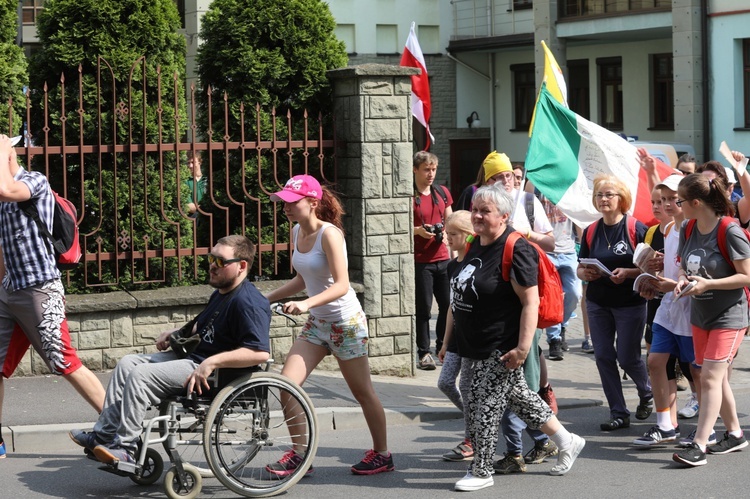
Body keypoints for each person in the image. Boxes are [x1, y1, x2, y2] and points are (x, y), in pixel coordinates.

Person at [68, 235, 271, 465]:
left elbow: (259, 352)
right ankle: (104, 435)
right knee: (127, 363)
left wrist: (212, 363)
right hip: (196, 359)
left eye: (221, 261)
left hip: (215, 375)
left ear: (242, 266)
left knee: (140, 376)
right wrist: (175, 332)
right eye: (211, 258)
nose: (213, 265)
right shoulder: (222, 293)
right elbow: (201, 325)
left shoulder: (248, 303)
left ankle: (126, 448)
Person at [451, 185, 584, 492]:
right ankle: (567, 440)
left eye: (486, 211)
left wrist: (523, 348)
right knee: (520, 398)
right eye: (475, 209)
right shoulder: (475, 242)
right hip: (474, 341)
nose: (478, 215)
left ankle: (481, 470)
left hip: (501, 344)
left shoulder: (516, 247)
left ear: (504, 216)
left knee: (483, 406)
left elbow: (530, 303)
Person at [265, 175, 393, 476]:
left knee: (363, 393)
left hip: (345, 323)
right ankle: (299, 455)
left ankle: (383, 453)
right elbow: (302, 278)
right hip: (318, 323)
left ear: (312, 202)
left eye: (291, 202)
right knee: (287, 385)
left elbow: (343, 284)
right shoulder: (296, 232)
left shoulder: (330, 235)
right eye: (283, 201)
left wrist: (306, 304)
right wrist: (265, 298)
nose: (285, 207)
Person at [0, 135, 106, 460]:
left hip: (40, 290)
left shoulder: (33, 181)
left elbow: (7, 190)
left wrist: (3, 148)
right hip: (9, 292)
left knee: (64, 362)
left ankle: (121, 427)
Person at [672, 173, 750, 467]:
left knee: (709, 378)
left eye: (679, 201)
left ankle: (700, 444)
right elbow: (682, 265)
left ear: (695, 202)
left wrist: (708, 285)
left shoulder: (730, 230)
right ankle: (735, 433)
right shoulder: (688, 227)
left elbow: (747, 276)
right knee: (716, 379)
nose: (677, 205)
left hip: (729, 316)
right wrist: (682, 280)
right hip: (700, 315)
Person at [577, 174, 653, 431]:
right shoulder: (590, 231)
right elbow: (581, 265)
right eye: (599, 194)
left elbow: (650, 267)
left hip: (630, 302)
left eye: (609, 194)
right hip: (598, 302)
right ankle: (618, 412)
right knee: (603, 356)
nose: (603, 199)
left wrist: (628, 273)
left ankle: (647, 391)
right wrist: (583, 273)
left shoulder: (635, 228)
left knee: (628, 357)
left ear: (622, 199)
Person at [633, 175, 700, 447]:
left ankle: (703, 428)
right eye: (661, 200)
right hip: (668, 307)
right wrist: (655, 273)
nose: (668, 204)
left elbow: (704, 273)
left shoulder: (698, 229)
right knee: (656, 361)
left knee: (696, 371)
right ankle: (664, 426)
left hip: (694, 309)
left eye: (672, 198)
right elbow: (673, 267)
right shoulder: (670, 229)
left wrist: (673, 282)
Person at [437, 210, 475, 462]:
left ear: (468, 235)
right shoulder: (452, 266)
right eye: (446, 233)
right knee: (445, 383)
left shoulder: (476, 263)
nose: (447, 238)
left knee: (467, 387)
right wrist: (444, 342)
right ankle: (479, 420)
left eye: (453, 234)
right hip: (456, 339)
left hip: (474, 339)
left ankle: (471, 438)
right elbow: (452, 306)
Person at [413, 151, 453, 370]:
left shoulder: (442, 193)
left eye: (433, 169)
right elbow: (399, 228)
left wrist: (447, 233)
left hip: (443, 259)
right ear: (415, 170)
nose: (431, 174)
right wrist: (417, 231)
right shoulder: (409, 196)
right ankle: (423, 352)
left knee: (447, 306)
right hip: (422, 262)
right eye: (426, 169)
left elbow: (451, 219)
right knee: (424, 308)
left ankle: (442, 348)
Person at [185, 151, 207, 217]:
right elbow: (189, 206)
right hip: (192, 219)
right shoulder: (185, 181)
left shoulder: (206, 179)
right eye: (188, 163)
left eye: (193, 162)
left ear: (200, 162)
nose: (190, 166)